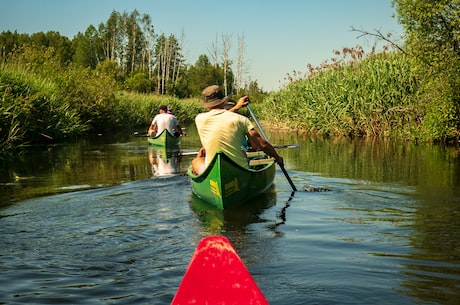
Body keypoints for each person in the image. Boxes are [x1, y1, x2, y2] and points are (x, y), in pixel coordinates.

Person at [191, 85, 283, 175]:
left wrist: (237, 107)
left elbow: (220, 117)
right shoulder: (241, 120)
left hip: (213, 173)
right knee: (243, 153)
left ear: (207, 105)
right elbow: (263, 144)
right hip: (240, 171)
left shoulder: (199, 119)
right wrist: (278, 158)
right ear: (223, 101)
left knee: (196, 161)